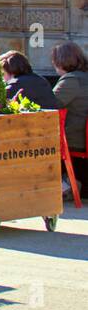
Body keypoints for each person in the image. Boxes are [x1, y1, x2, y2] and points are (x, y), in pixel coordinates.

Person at [53, 42, 88, 196]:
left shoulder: (71, 81)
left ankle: (62, 185)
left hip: (74, 138)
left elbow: (49, 104)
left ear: (61, 61)